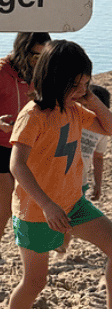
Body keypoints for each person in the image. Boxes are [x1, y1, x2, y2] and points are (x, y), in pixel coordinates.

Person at [1, 40, 112, 309]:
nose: (81, 91)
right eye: (75, 85)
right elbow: (16, 165)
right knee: (35, 282)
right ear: (54, 79)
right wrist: (48, 206)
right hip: (36, 212)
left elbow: (110, 127)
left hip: (73, 204)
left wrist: (91, 98)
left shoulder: (75, 109)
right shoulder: (32, 115)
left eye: (85, 84)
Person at [0, 32, 51, 264]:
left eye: (44, 55)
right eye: (35, 55)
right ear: (22, 51)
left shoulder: (38, 72)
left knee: (23, 202)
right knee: (5, 207)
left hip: (20, 146)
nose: (39, 60)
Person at [56, 83, 110, 256]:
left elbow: (98, 157)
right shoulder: (71, 118)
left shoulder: (101, 130)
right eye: (84, 105)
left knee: (68, 217)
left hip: (81, 181)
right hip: (59, 178)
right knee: (58, 215)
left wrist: (98, 184)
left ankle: (62, 249)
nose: (87, 110)